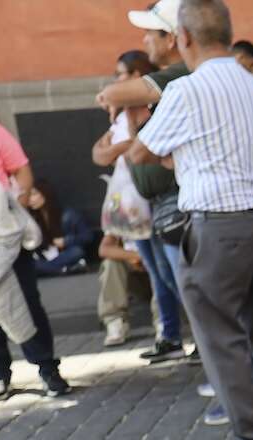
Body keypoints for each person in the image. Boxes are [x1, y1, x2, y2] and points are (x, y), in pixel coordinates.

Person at [130, 0, 253, 440]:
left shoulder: (186, 91)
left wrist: (165, 152)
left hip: (215, 225)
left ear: (183, 39)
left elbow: (142, 151)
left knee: (219, 335)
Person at [98, 3, 193, 365]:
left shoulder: (174, 76)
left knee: (188, 283)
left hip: (178, 202)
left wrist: (119, 102)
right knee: (170, 279)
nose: (144, 39)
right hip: (156, 204)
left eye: (150, 34)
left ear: (172, 39)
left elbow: (140, 150)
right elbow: (105, 153)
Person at [0, 117, 71, 399]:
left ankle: (47, 368)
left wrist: (14, 209)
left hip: (4, 234)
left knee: (27, 301)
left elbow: (21, 170)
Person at [26, 181, 98, 277]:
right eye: (28, 196)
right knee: (29, 263)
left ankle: (51, 270)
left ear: (45, 194)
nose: (30, 199)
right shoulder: (32, 218)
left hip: (66, 253)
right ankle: (65, 269)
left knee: (77, 251)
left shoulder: (68, 215)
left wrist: (65, 241)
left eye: (34, 194)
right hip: (45, 255)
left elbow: (88, 236)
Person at [97, 234, 152, 347]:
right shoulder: (121, 218)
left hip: (160, 271)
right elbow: (104, 249)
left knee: (160, 261)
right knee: (110, 263)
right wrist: (138, 256)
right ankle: (115, 321)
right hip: (136, 273)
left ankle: (164, 321)